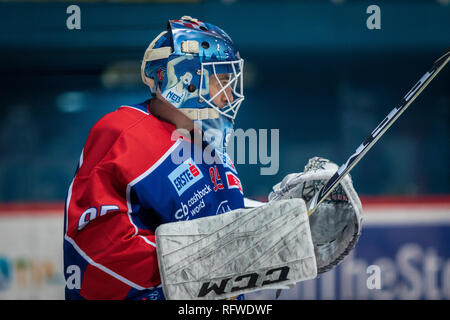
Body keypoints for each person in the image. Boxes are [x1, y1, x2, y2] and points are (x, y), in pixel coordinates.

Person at [63, 16, 362, 300]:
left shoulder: (209, 143)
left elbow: (218, 225)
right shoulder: (122, 132)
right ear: (185, 78)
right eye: (221, 80)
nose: (230, 96)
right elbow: (93, 254)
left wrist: (287, 222)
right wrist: (213, 256)